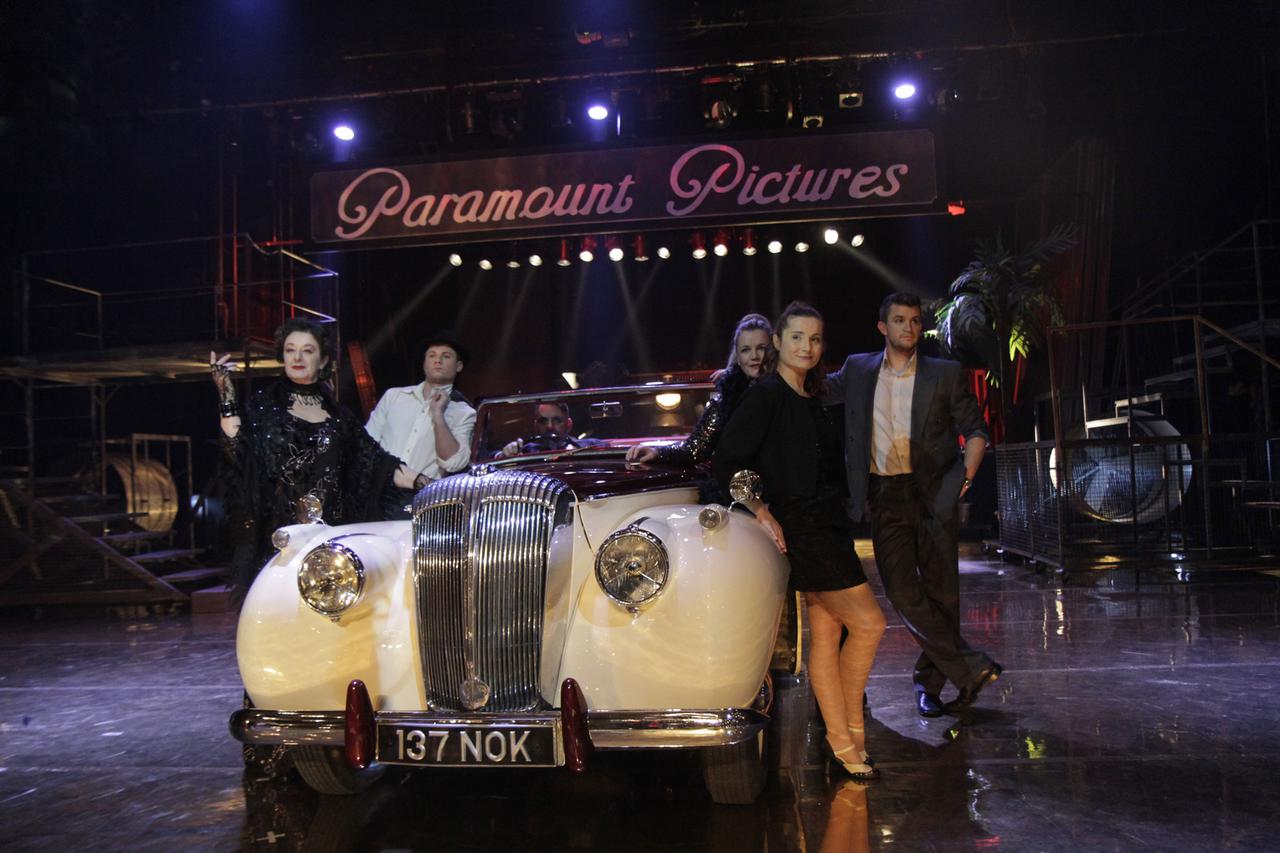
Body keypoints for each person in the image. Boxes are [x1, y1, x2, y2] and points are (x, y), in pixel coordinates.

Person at [714, 301, 886, 781]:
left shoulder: (816, 396)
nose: (807, 347)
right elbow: (727, 462)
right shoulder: (765, 396)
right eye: (796, 338)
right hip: (802, 527)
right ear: (778, 342)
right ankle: (848, 732)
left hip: (830, 523)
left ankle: (843, 741)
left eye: (814, 339)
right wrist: (762, 511)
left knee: (827, 634)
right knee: (870, 625)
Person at [826, 292, 999, 717]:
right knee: (902, 590)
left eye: (915, 320)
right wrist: (751, 375)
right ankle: (970, 669)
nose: (909, 327)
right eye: (900, 320)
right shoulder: (858, 369)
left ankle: (931, 687)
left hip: (934, 491)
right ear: (882, 326)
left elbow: (977, 430)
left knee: (942, 595)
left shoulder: (944, 373)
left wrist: (966, 477)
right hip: (885, 494)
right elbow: (810, 390)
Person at [210, 317, 419, 589]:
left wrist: (424, 482)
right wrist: (226, 396)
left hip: (332, 546)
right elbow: (237, 451)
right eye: (290, 350)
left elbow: (380, 465)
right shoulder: (264, 407)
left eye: (307, 350)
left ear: (323, 361)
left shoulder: (341, 419)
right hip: (280, 544)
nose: (297, 357)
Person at [626, 313, 772, 502]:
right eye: (745, 350)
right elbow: (695, 448)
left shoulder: (788, 394)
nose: (754, 356)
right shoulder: (724, 400)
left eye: (761, 348)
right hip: (740, 499)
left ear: (773, 350)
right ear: (737, 355)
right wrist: (657, 452)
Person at [365, 331, 476, 518]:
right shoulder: (394, 396)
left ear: (459, 366)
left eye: (446, 356)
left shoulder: (463, 412)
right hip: (378, 493)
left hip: (422, 500)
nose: (437, 360)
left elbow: (453, 463)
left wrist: (438, 415)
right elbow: (367, 443)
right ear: (424, 363)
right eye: (432, 355)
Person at [496, 401, 603, 457]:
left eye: (557, 420)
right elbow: (493, 457)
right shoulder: (526, 451)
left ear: (569, 424)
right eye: (543, 421)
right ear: (536, 426)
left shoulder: (589, 446)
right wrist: (504, 454)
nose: (550, 426)